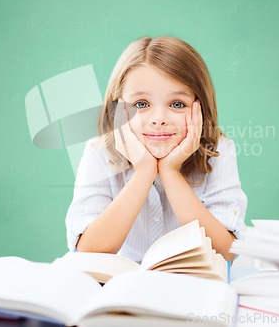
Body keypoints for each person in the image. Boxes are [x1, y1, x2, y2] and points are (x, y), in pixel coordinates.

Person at [65, 36, 247, 262]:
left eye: (177, 104)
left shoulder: (219, 151)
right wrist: (144, 171)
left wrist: (171, 172)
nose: (159, 119)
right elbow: (89, 250)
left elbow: (226, 251)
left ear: (200, 108)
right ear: (118, 110)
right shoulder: (99, 152)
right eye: (141, 104)